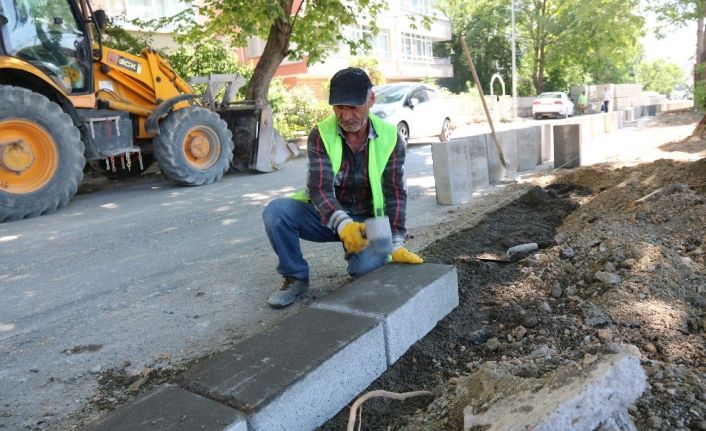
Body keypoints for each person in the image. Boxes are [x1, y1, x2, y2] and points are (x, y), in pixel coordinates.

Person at [262, 67, 423, 309]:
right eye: (339, 107)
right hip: (327, 216)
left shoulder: (391, 137)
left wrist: (397, 241)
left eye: (353, 106)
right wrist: (344, 224)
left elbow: (395, 193)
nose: (346, 116)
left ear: (370, 100)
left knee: (365, 270)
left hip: (369, 225)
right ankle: (295, 277)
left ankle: (363, 255)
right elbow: (318, 189)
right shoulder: (321, 134)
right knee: (276, 213)